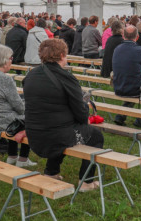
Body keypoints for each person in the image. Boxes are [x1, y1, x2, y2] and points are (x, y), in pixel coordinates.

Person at [23, 38, 103, 192]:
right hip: (54, 135)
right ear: (61, 55)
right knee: (95, 136)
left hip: (35, 133)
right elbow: (81, 112)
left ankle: (51, 172)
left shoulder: (31, 76)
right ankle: (86, 182)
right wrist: (85, 111)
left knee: (63, 131)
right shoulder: (65, 77)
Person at [111, 25, 141, 127]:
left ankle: (120, 117)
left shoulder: (117, 49)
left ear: (123, 36)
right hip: (133, 88)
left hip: (118, 86)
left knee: (132, 86)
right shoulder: (139, 50)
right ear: (137, 37)